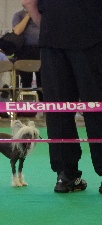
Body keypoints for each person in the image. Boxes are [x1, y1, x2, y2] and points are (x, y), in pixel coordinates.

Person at [23, 0, 102, 193]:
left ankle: (66, 175)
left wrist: (47, 21)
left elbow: (27, 1)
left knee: (58, 109)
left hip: (53, 35)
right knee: (97, 107)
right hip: (92, 33)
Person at [12, 6, 41, 91]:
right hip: (25, 50)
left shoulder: (41, 14)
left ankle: (43, 101)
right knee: (26, 80)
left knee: (42, 80)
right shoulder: (19, 15)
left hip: (41, 50)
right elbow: (17, 31)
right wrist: (28, 15)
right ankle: (25, 100)